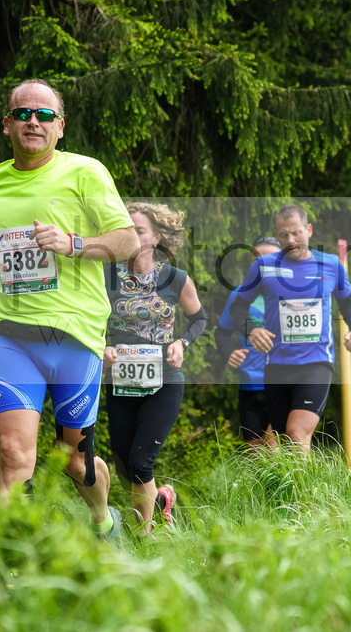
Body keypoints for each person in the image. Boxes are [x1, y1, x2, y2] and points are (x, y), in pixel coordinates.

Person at [0, 79, 139, 539]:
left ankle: (103, 519)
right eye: (23, 113)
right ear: (7, 124)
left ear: (60, 127)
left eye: (45, 115)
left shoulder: (85, 172)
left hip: (75, 335)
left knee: (74, 460)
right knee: (13, 456)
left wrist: (73, 244)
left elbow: (127, 240)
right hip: (14, 336)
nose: (34, 121)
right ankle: (7, 565)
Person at [101, 202, 206, 534]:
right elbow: (87, 317)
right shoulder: (105, 276)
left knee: (140, 463)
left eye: (139, 230)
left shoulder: (175, 278)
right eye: (127, 229)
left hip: (164, 380)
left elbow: (199, 319)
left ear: (157, 238)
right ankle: (162, 501)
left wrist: (182, 343)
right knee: (125, 469)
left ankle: (143, 539)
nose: (132, 235)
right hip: (120, 380)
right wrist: (102, 345)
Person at [229, 205, 351, 455]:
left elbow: (349, 303)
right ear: (276, 235)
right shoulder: (263, 266)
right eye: (283, 234)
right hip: (277, 365)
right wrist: (251, 330)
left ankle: (307, 484)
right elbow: (238, 306)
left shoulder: (330, 264)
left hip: (316, 362)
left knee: (297, 433)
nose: (290, 240)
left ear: (309, 230)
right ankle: (309, 481)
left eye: (296, 233)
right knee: (285, 442)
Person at [215, 236, 281, 449]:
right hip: (250, 382)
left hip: (283, 381)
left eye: (270, 259)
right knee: (255, 452)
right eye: (257, 259)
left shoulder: (292, 294)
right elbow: (222, 333)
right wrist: (229, 353)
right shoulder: (239, 296)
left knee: (273, 447)